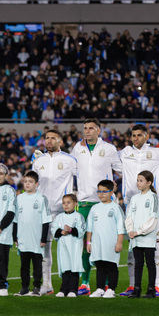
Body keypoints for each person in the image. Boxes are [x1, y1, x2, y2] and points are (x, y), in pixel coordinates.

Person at [72, 119, 122, 296]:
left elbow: (121, 169)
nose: (87, 131)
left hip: (104, 201)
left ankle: (107, 284)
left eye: (91, 128)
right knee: (86, 243)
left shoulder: (108, 149)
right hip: (85, 201)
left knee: (107, 243)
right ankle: (85, 282)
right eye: (85, 128)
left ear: (99, 130)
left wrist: (115, 185)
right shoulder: (77, 149)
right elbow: (70, 171)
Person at [119, 124, 159, 297]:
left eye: (139, 135)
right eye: (133, 135)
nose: (136, 138)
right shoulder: (124, 153)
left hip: (151, 206)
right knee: (133, 248)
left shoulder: (157, 154)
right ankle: (133, 285)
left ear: (146, 136)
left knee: (154, 246)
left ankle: (155, 286)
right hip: (131, 203)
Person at [32, 129, 78, 295]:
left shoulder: (70, 160)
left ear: (60, 141)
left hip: (62, 211)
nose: (49, 141)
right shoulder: (38, 161)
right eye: (47, 138)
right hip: (43, 212)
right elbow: (33, 184)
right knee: (44, 248)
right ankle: (47, 284)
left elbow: (81, 180)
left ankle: (71, 285)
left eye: (53, 138)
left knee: (67, 248)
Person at [13, 171, 52, 297]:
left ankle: (36, 287)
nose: (27, 184)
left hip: (36, 238)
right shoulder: (19, 198)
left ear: (37, 184)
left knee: (36, 265)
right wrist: (15, 236)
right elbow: (15, 219)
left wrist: (43, 238)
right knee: (24, 265)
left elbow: (46, 220)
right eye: (25, 181)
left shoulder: (41, 199)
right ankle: (24, 287)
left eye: (30, 182)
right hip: (23, 238)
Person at [86, 180, 126, 299]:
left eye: (104, 192)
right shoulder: (94, 208)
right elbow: (90, 227)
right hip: (97, 243)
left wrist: (119, 242)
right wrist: (89, 242)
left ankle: (111, 289)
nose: (101, 194)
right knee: (100, 265)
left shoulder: (115, 208)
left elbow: (120, 227)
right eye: (99, 191)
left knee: (111, 265)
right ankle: (100, 288)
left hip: (111, 242)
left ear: (111, 192)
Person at [124, 171, 159, 299]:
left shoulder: (153, 197)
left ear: (149, 183)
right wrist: (130, 231)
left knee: (150, 263)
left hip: (147, 238)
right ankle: (137, 289)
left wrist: (138, 231)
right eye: (137, 180)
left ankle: (151, 290)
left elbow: (153, 219)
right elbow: (129, 216)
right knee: (138, 263)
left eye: (141, 181)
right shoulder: (134, 198)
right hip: (135, 238)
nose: (138, 183)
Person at [52, 194, 86, 298]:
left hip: (74, 245)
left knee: (74, 267)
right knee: (65, 266)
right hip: (63, 246)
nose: (66, 205)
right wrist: (61, 232)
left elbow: (82, 230)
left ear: (75, 204)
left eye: (69, 202)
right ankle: (63, 290)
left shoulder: (78, 217)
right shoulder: (59, 217)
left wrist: (71, 230)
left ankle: (73, 290)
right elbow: (53, 229)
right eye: (64, 203)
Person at [0, 164, 16, 297]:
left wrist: (1, 227)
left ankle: (2, 285)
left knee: (2, 260)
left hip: (3, 233)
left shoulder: (9, 190)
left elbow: (11, 212)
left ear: (6, 176)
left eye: (1, 173)